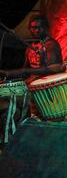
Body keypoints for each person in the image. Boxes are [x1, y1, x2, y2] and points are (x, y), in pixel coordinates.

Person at [0, 14, 63, 142]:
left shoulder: (51, 45)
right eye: (32, 28)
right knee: (8, 96)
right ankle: (11, 136)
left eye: (38, 27)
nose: (35, 30)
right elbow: (25, 70)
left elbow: (53, 69)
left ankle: (10, 139)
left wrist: (24, 73)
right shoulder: (31, 46)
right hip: (30, 83)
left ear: (45, 28)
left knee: (12, 99)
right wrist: (8, 76)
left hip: (44, 86)